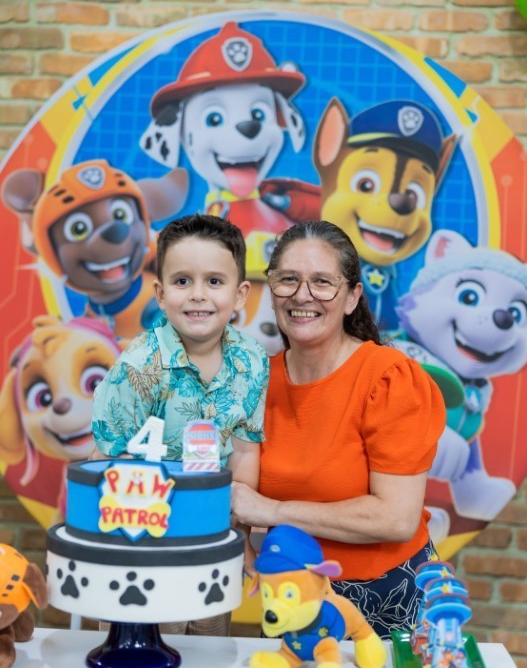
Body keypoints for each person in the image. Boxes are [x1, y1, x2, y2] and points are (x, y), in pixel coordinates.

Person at [231, 220, 446, 640]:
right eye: (287, 279)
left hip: (389, 599)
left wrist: (271, 511)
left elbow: (396, 518)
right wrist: (241, 537)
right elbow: (240, 494)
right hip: (292, 598)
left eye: (322, 282)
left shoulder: (389, 378)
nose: (302, 295)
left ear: (352, 297)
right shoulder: (254, 382)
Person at [92, 213, 270, 636]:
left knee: (208, 649)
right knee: (144, 651)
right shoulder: (138, 366)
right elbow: (104, 461)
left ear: (240, 294)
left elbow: (245, 450)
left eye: (214, 281)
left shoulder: (252, 360)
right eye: (182, 281)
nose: (198, 295)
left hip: (211, 544)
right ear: (160, 293)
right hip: (140, 551)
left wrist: (241, 539)